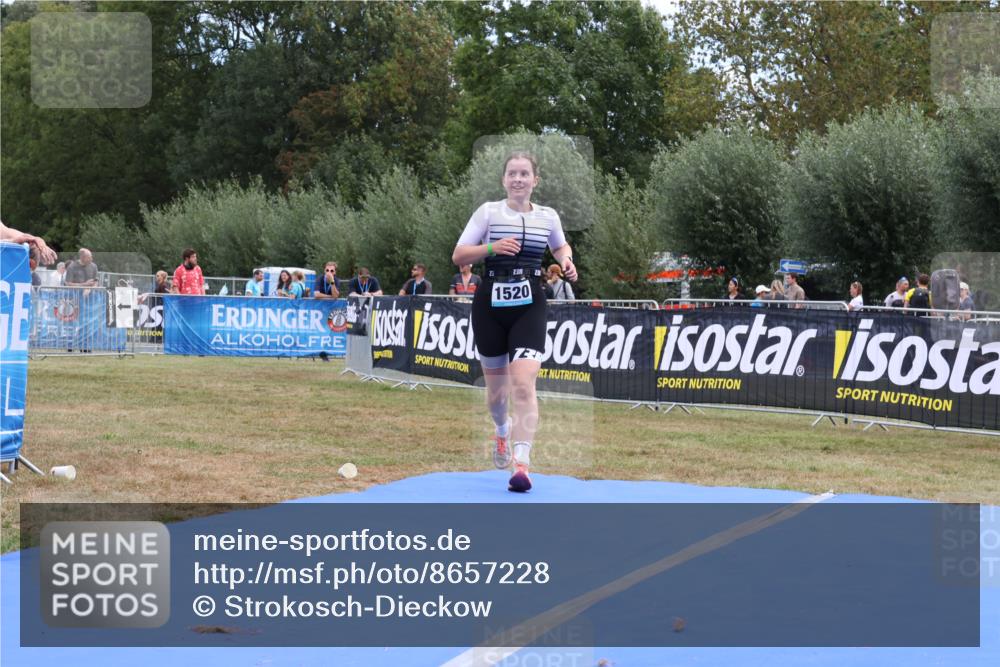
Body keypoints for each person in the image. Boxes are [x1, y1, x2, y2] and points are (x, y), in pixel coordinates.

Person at [452, 152, 577, 493]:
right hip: (490, 304)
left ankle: (522, 465)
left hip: (529, 304)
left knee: (523, 384)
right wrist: (491, 247)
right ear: (504, 180)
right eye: (512, 174)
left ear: (535, 180)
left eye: (525, 174)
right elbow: (459, 254)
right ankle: (503, 431)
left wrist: (566, 261)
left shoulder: (548, 216)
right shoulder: (489, 212)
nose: (518, 179)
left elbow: (561, 246)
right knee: (497, 396)